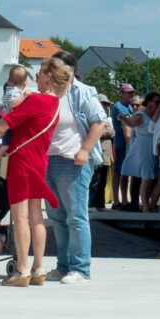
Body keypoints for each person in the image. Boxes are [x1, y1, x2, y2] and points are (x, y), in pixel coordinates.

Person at [0, 58, 62, 284]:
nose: (37, 78)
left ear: (49, 77)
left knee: (20, 216)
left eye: (40, 74)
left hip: (22, 159)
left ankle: (22, 270)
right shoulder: (55, 103)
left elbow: (3, 124)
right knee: (36, 216)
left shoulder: (37, 101)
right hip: (39, 160)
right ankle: (38, 268)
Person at [43, 55, 108, 284]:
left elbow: (100, 122)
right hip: (48, 161)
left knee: (76, 217)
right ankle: (63, 266)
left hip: (73, 162)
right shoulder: (48, 94)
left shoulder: (82, 93)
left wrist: (84, 150)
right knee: (57, 218)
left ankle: (81, 269)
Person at [139, 90, 160, 213]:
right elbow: (151, 128)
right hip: (157, 151)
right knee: (147, 179)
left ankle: (152, 204)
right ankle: (147, 206)